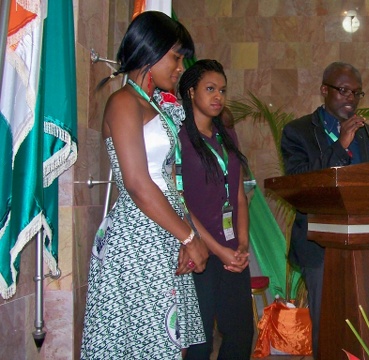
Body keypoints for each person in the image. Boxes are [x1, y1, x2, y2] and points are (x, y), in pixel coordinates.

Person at [81, 12, 244, 359]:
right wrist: (188, 237)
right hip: (138, 235)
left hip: (162, 230)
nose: (180, 66)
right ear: (150, 51)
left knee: (166, 343)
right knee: (143, 342)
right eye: (175, 56)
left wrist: (186, 235)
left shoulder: (151, 104)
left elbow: (171, 181)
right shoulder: (123, 102)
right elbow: (138, 183)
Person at [280, 61, 369, 358]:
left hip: (363, 242)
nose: (351, 98)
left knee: (365, 322)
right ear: (324, 90)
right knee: (329, 322)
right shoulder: (297, 132)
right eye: (344, 90)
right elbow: (300, 184)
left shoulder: (367, 132)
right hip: (320, 245)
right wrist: (340, 144)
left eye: (357, 93)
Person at [178, 60, 253, 359]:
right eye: (210, 89)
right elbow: (179, 202)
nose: (218, 96)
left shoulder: (228, 136)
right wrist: (218, 250)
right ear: (191, 91)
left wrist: (243, 244)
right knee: (200, 343)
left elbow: (238, 193)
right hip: (199, 250)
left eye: (222, 90)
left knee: (240, 333)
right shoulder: (178, 137)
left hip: (233, 251)